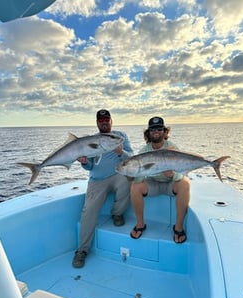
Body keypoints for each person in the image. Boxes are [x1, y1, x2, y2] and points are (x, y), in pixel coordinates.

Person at [72, 109, 133, 268]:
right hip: (97, 180)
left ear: (111, 121)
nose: (104, 122)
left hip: (118, 175)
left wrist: (121, 152)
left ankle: (117, 213)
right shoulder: (92, 140)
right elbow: (90, 166)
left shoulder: (121, 136)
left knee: (128, 179)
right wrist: (84, 162)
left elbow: (132, 158)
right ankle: (82, 250)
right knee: (89, 209)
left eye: (107, 119)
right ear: (97, 123)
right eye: (101, 120)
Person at [130, 116, 190, 243]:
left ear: (164, 131)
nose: (155, 131)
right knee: (135, 187)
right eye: (152, 129)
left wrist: (171, 174)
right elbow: (139, 178)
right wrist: (132, 173)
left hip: (170, 183)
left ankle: (178, 227)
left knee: (185, 184)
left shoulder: (172, 147)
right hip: (154, 183)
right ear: (148, 133)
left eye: (159, 128)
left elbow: (180, 174)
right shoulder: (144, 151)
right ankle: (140, 224)